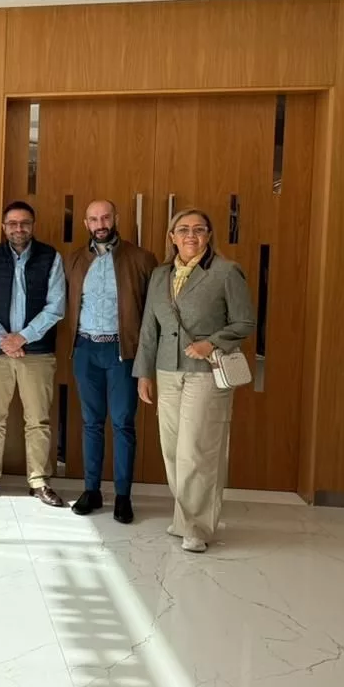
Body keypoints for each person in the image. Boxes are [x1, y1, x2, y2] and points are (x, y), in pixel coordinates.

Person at [135, 208, 255, 553]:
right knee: (173, 450)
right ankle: (184, 518)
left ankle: (197, 527)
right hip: (167, 370)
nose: (191, 235)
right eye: (183, 229)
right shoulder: (160, 275)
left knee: (198, 451)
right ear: (172, 237)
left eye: (199, 229)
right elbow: (149, 328)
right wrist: (143, 372)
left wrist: (211, 343)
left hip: (205, 374)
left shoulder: (226, 272)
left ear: (208, 236)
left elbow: (245, 322)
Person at [64, 199, 157, 524]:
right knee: (91, 423)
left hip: (122, 352)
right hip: (85, 350)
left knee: (123, 423)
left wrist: (147, 360)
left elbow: (152, 313)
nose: (100, 224)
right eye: (93, 219)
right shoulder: (74, 260)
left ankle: (122, 496)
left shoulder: (141, 259)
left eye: (105, 217)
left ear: (115, 218)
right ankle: (91, 490)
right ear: (86, 224)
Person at [0, 200, 67, 506]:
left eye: (24, 223)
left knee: (38, 419)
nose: (18, 228)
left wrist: (22, 338)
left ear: (32, 226)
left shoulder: (51, 257)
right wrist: (3, 339)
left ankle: (39, 481)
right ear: (4, 227)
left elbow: (56, 306)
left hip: (37, 353)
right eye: (12, 223)